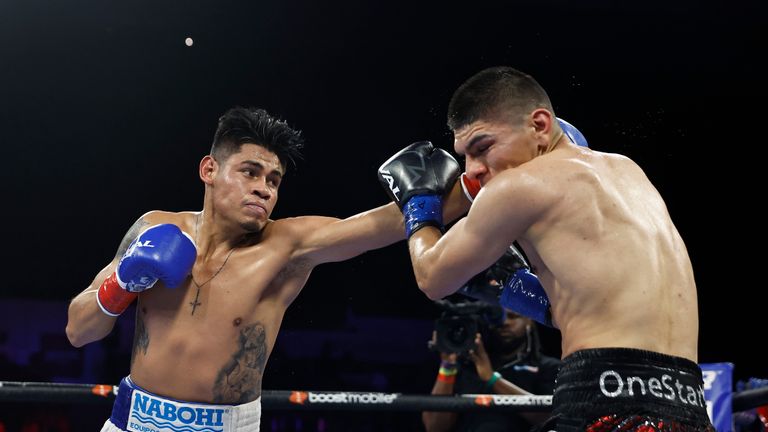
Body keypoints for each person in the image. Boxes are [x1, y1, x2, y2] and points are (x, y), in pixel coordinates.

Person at [65, 107, 467, 431]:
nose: (265, 188)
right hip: (132, 420)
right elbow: (79, 331)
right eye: (250, 172)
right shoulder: (154, 227)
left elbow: (373, 227)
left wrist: (475, 188)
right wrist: (121, 284)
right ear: (209, 171)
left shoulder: (287, 247)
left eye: (274, 180)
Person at [378, 67, 714, 431]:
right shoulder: (630, 171)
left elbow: (431, 277)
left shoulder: (517, 186)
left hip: (601, 400)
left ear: (540, 125)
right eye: (465, 156)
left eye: (482, 147)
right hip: (690, 406)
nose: (472, 171)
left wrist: (419, 206)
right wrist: (514, 286)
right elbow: (590, 305)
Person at [422, 307, 560, 432]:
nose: (505, 322)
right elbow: (434, 427)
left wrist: (491, 378)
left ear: (530, 321)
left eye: (513, 317)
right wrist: (447, 365)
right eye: (497, 318)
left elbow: (550, 419)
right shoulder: (465, 366)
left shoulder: (548, 367)